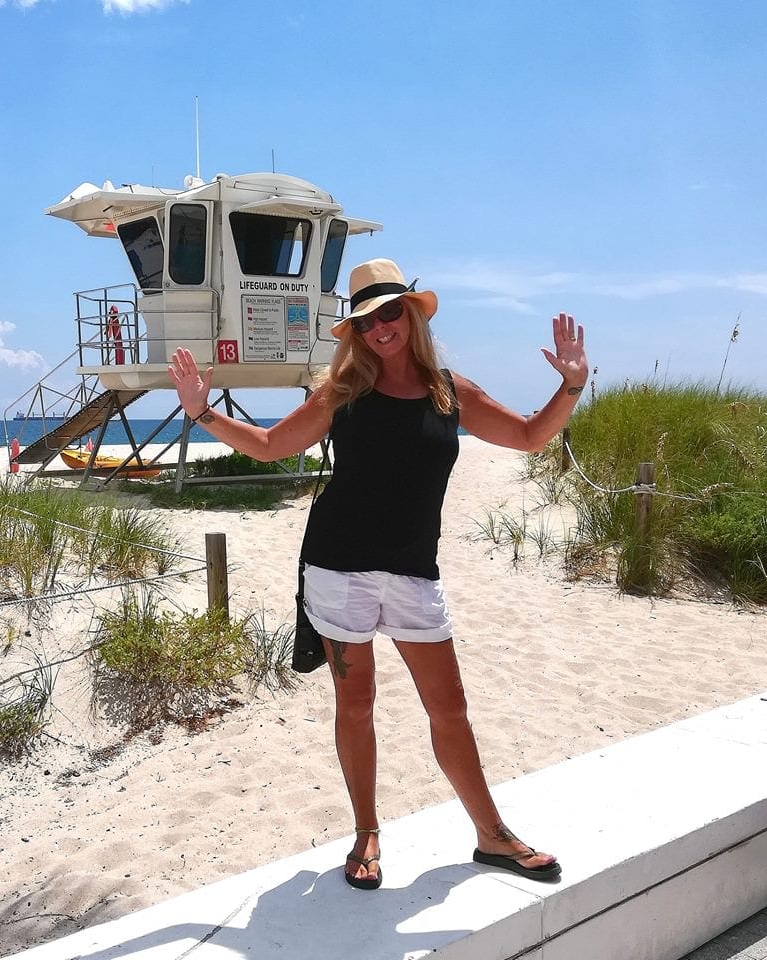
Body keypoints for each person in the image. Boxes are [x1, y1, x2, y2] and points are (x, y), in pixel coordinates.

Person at [168, 258, 588, 890]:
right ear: (356, 333)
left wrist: (572, 387)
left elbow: (530, 436)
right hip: (339, 569)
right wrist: (202, 413)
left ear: (414, 315)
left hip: (415, 572)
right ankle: (366, 833)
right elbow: (269, 445)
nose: (380, 327)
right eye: (365, 320)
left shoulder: (452, 392)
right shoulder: (342, 394)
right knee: (356, 703)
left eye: (392, 311)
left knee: (450, 710)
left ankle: (491, 835)